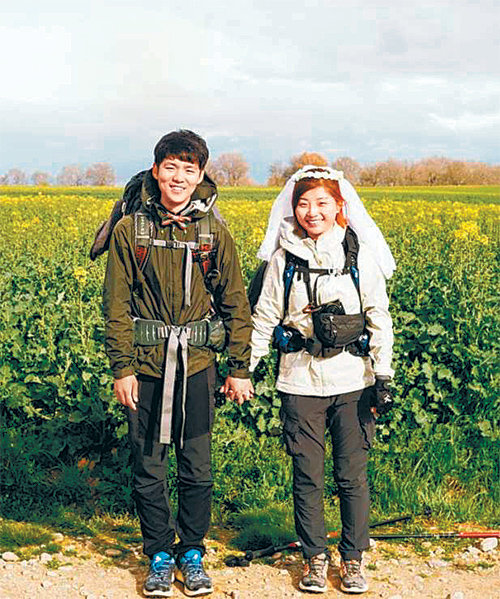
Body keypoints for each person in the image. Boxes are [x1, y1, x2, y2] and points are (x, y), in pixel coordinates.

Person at [103, 130, 253, 597]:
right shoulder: (132, 231)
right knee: (149, 466)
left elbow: (236, 305)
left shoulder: (213, 232)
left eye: (190, 169)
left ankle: (192, 549)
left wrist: (239, 368)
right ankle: (159, 554)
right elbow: (116, 305)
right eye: (171, 167)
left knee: (198, 467)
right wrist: (121, 368)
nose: (179, 177)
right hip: (145, 368)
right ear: (156, 170)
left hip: (199, 366)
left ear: (201, 174)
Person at [250, 165, 395, 594]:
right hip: (299, 382)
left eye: (321, 203)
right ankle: (315, 558)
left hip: (353, 380)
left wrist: (383, 375)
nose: (312, 211)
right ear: (292, 209)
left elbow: (379, 319)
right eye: (303, 203)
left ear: (338, 206)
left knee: (352, 476)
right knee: (307, 475)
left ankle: (353, 559)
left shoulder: (358, 256)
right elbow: (264, 319)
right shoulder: (284, 259)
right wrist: (244, 369)